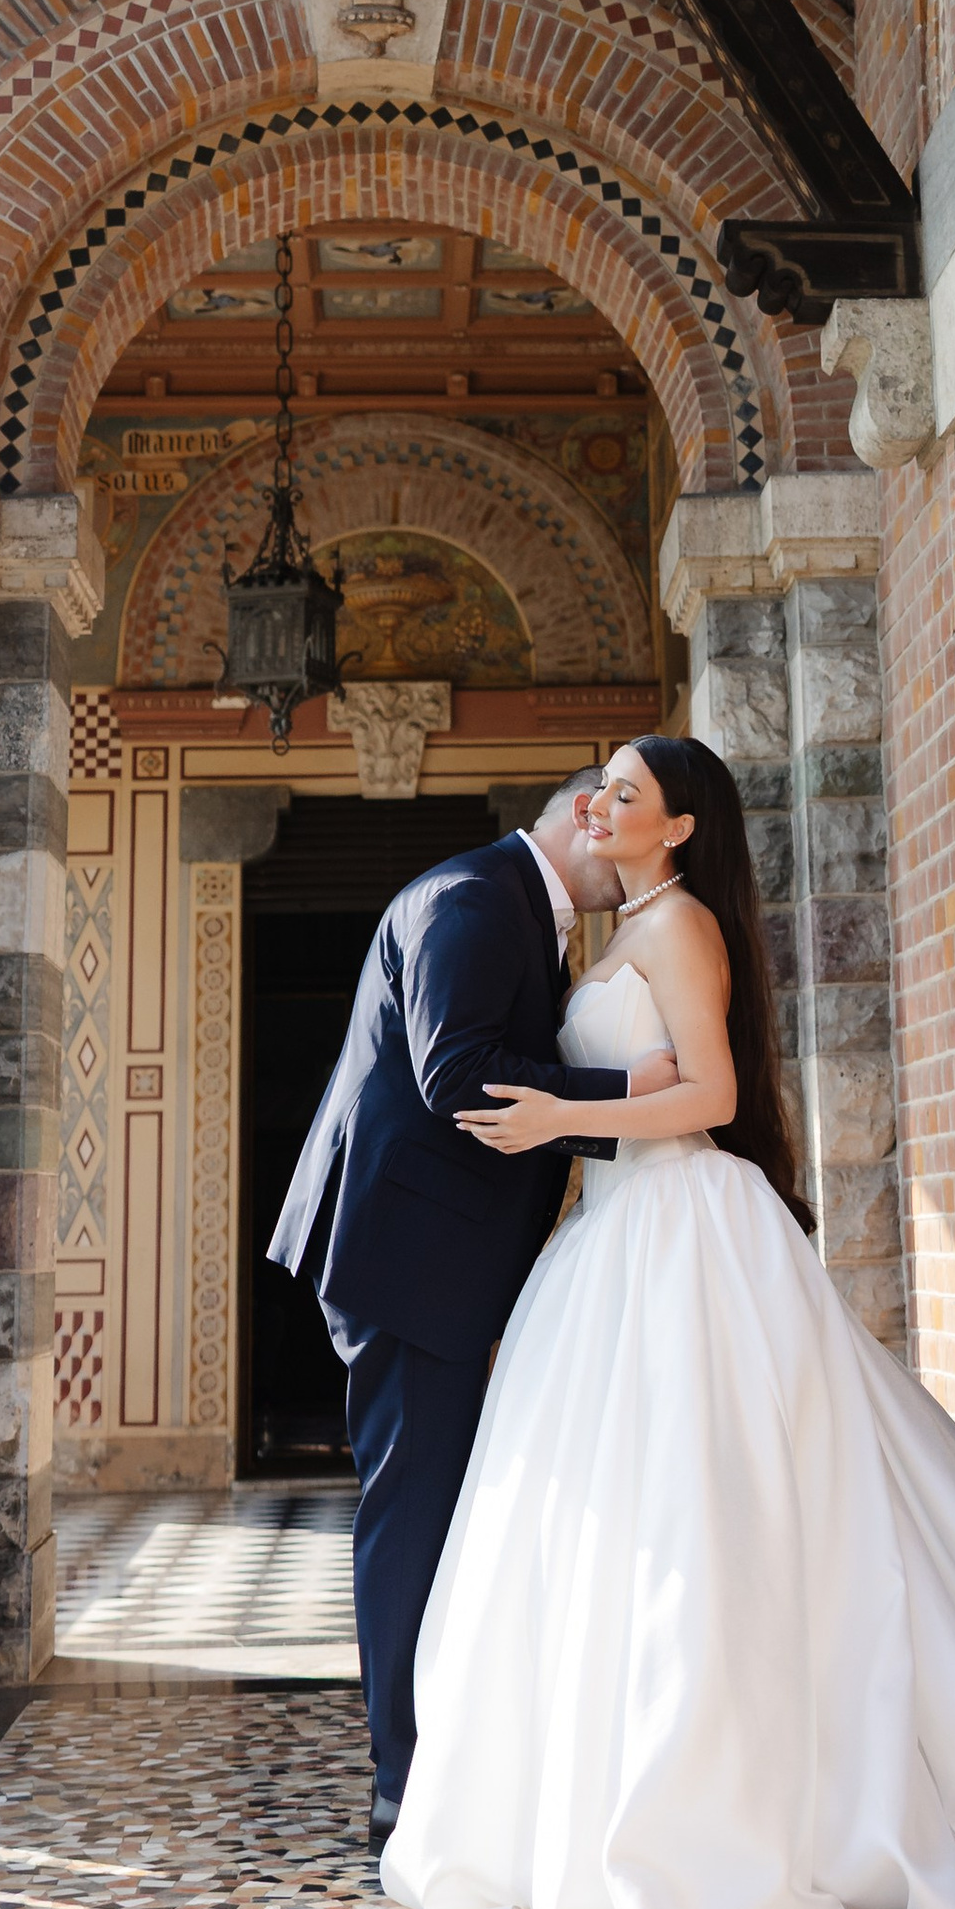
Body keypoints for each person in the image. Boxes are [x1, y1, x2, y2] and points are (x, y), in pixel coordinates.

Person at [380, 732, 955, 1909]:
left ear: (678, 828)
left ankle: (743, 1808)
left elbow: (715, 1096)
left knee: (704, 1518)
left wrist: (567, 1113)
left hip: (682, 1232)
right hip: (613, 1242)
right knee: (618, 1523)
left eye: (631, 793)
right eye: (602, 788)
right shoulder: (613, 935)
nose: (604, 803)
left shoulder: (680, 928)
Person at [266, 769, 665, 1845]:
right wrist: (642, 1103)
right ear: (585, 817)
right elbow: (458, 1074)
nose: (628, 875)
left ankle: (442, 1750)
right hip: (406, 1257)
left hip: (434, 1256)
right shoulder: (478, 899)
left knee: (444, 1506)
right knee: (413, 1509)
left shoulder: (509, 908)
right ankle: (403, 1776)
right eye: (620, 841)